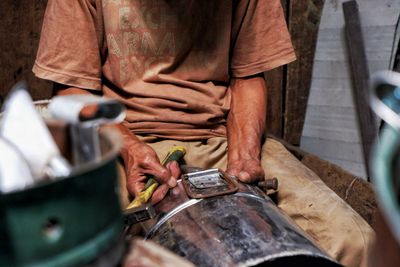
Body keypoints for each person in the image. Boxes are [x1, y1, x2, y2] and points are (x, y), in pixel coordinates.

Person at [33, 1, 374, 266]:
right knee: (79, 246)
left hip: (222, 136)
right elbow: (72, 92)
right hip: (120, 141)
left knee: (357, 244)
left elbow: (248, 75)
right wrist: (131, 148)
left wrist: (244, 156)